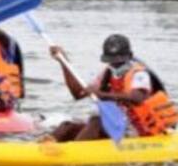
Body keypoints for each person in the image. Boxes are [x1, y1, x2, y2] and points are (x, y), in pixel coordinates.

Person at [45, 34, 178, 142]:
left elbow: (137, 97)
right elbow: (78, 93)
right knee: (67, 127)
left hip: (144, 131)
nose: (115, 64)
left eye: (119, 60)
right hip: (121, 127)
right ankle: (45, 146)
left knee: (97, 121)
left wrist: (101, 94)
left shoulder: (139, 74)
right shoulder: (107, 73)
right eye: (111, 59)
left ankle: (74, 153)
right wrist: (63, 62)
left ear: (130, 56)